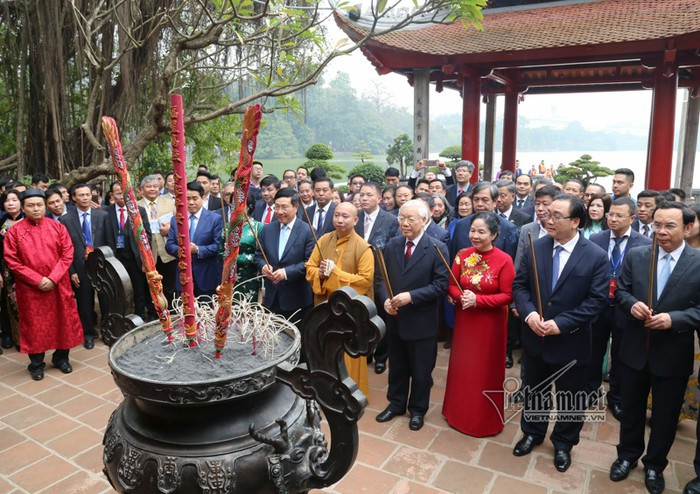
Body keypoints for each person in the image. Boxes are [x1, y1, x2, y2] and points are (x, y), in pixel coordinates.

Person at [512, 194, 610, 473]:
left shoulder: (595, 256)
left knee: (571, 396)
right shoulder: (536, 246)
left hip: (571, 339)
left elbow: (596, 301)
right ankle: (532, 432)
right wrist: (530, 314)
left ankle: (564, 443)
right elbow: (520, 286)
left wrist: (561, 323)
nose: (548, 219)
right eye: (547, 213)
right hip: (535, 335)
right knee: (535, 389)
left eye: (557, 215)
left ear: (576, 221)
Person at [610, 202, 700, 494]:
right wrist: (631, 304)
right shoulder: (637, 255)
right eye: (657, 225)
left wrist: (675, 319)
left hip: (673, 353)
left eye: (670, 226)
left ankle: (654, 465)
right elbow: (621, 291)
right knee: (631, 408)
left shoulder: (697, 262)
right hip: (635, 348)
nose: (661, 231)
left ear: (688, 228)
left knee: (665, 415)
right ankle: (627, 456)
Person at [375, 200, 449, 431]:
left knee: (421, 370)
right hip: (396, 318)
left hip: (421, 319)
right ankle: (396, 403)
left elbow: (441, 285)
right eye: (401, 218)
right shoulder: (393, 244)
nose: (404, 223)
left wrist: (412, 296)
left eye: (410, 219)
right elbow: (381, 278)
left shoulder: (436, 247)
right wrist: (385, 299)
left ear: (424, 220)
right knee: (397, 365)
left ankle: (417, 410)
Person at [444, 212, 514, 436]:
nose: (475, 235)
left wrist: (478, 300)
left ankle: (483, 420)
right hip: (466, 319)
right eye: (472, 230)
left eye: (481, 232)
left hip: (490, 324)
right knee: (463, 366)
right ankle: (457, 413)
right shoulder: (462, 255)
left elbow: (508, 295)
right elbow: (452, 284)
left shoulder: (504, 260)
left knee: (484, 370)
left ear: (494, 234)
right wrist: (461, 297)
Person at [4, 189, 83, 380]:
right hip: (30, 289)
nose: (36, 209)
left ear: (45, 206)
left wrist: (53, 278)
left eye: (39, 205)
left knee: (63, 321)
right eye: (31, 205)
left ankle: (61, 358)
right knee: (34, 326)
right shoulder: (14, 232)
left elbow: (67, 254)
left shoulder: (57, 227)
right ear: (23, 208)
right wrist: (37, 280)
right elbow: (12, 261)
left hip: (58, 285)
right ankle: (36, 364)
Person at [588, 198, 650, 421]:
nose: (613, 219)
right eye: (610, 215)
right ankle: (590, 390)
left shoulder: (644, 243)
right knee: (594, 351)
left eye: (619, 216)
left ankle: (616, 397)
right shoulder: (596, 239)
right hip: (599, 305)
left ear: (632, 218)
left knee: (620, 355)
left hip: (626, 307)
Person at [305, 202, 373, 396]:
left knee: (348, 355)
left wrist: (335, 273)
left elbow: (365, 281)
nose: (340, 220)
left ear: (356, 220)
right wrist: (320, 274)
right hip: (325, 307)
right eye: (337, 215)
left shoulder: (363, 248)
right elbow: (310, 267)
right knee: (324, 350)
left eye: (345, 216)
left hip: (349, 313)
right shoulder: (324, 240)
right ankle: (326, 393)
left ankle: (351, 395)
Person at [355, 182, 400, 374]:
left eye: (369, 195)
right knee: (361, 316)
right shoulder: (355, 218)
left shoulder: (390, 220)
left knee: (381, 317)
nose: (364, 198)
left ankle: (381, 356)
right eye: (362, 195)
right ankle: (365, 351)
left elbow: (394, 249)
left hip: (381, 277)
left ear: (379, 198)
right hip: (358, 277)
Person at [59, 183, 108, 349]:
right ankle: (88, 334)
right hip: (80, 267)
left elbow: (110, 242)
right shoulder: (66, 220)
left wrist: (109, 264)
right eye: (81, 195)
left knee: (105, 300)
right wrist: (71, 271)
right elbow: (64, 249)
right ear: (74, 198)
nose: (86, 198)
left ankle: (107, 330)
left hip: (101, 266)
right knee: (84, 302)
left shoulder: (103, 215)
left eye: (88, 194)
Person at [256, 188, 314, 324]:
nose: (279, 211)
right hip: (272, 298)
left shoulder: (307, 231)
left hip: (297, 300)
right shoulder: (268, 229)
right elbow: (258, 255)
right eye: (276, 207)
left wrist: (286, 272)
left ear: (295, 207)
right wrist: (264, 266)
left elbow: (310, 262)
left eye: (284, 207)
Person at [165, 181, 224, 298]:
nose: (191, 202)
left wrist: (197, 249)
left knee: (206, 308)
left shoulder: (214, 219)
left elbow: (218, 246)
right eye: (187, 199)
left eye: (195, 198)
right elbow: (169, 245)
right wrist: (182, 250)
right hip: (183, 277)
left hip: (206, 277)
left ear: (202, 198)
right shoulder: (176, 220)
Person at [104, 182, 153, 319]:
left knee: (138, 288)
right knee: (118, 289)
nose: (122, 196)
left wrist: (145, 258)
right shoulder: (106, 212)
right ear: (112, 195)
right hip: (115, 258)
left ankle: (139, 315)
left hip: (135, 257)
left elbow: (147, 236)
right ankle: (121, 317)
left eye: (125, 193)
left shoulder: (139, 211)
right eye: (118, 193)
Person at [449, 182, 519, 261]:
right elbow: (454, 258)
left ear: (495, 202)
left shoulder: (507, 228)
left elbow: (510, 261)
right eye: (476, 200)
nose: (479, 204)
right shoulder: (461, 224)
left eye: (485, 200)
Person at [139, 175, 177, 306]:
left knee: (169, 285)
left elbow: (180, 223)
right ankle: (153, 312)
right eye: (148, 186)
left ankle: (170, 310)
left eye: (155, 186)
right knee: (150, 286)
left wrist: (170, 228)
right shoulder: (136, 206)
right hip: (148, 253)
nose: (152, 189)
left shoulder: (170, 203)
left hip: (167, 252)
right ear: (142, 189)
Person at [0, 189, 23, 349]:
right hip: (6, 270)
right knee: (7, 301)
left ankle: (27, 336)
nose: (10, 203)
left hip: (28, 268)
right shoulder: (1, 223)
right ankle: (9, 334)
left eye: (14, 200)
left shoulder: (29, 220)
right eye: (7, 200)